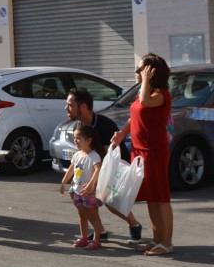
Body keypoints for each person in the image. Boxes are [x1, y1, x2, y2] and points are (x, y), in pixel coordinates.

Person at [111, 53, 174, 256]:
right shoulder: (144, 92)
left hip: (154, 151)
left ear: (151, 72)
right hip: (139, 151)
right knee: (151, 197)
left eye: (140, 69)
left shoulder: (161, 94)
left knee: (161, 198)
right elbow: (135, 114)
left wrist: (145, 80)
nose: (137, 72)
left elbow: (146, 102)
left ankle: (166, 242)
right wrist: (122, 133)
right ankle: (157, 239)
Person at [64, 88, 142, 242]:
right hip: (92, 169)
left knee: (110, 201)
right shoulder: (78, 127)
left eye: (70, 105)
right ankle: (100, 231)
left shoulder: (105, 125)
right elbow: (81, 154)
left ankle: (134, 225)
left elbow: (113, 156)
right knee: (82, 198)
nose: (66, 108)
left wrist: (96, 180)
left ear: (83, 107)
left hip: (112, 167)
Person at [59, 125, 104, 250]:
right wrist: (64, 182)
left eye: (78, 138)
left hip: (89, 192)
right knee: (82, 215)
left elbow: (98, 170)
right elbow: (71, 169)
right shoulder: (77, 154)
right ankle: (84, 237)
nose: (75, 141)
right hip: (77, 190)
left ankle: (96, 240)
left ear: (88, 140)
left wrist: (91, 184)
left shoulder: (94, 156)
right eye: (75, 138)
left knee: (93, 215)